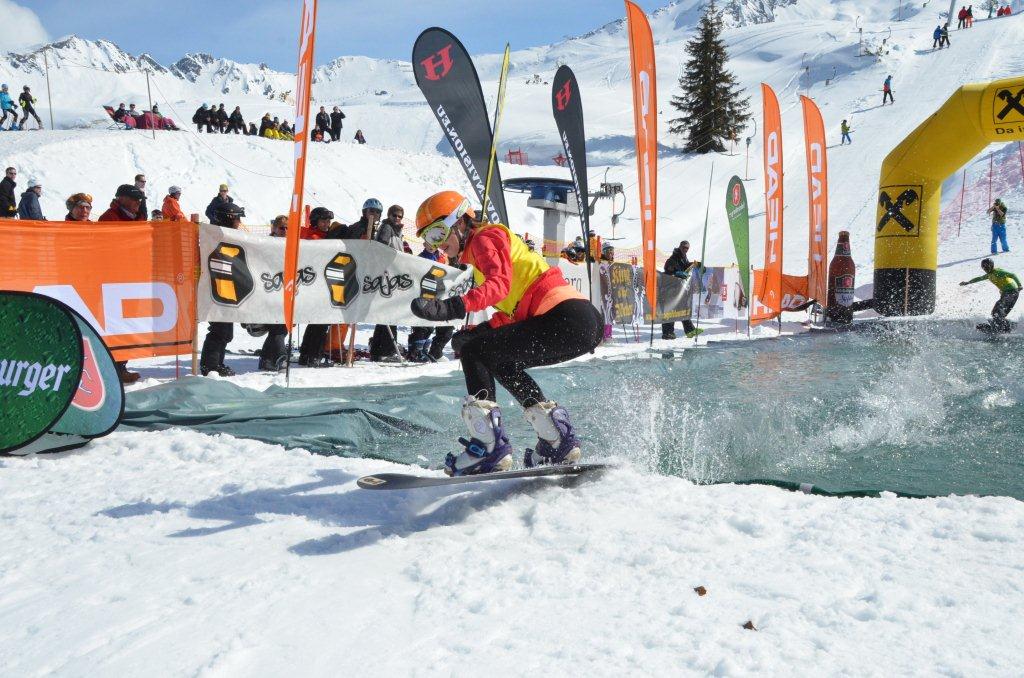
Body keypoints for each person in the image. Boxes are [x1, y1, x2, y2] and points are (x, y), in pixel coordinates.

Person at [409, 190, 604, 476]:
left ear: (460, 222)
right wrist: (482, 330)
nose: (438, 245)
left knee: (476, 352)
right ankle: (556, 439)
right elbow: (516, 308)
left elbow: (498, 286)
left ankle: (488, 448)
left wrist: (451, 308)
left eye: (438, 233)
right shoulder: (480, 259)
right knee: (499, 360)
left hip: (566, 317)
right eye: (429, 239)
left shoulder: (485, 237)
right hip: (577, 322)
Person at [200, 201, 247, 376]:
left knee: (226, 331)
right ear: (228, 219)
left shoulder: (230, 236)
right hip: (215, 290)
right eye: (237, 219)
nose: (239, 223)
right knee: (219, 330)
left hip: (227, 289)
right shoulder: (214, 237)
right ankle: (210, 366)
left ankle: (216, 364)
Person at [297, 206, 341, 366]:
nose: (327, 224)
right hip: (317, 285)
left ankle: (306, 354)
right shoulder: (314, 237)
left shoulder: (316, 235)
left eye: (328, 221)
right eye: (323, 221)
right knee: (320, 321)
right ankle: (314, 355)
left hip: (315, 284)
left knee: (316, 321)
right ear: (315, 221)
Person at [368, 203, 407, 362]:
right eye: (394, 215)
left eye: (399, 216)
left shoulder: (397, 231)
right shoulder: (387, 228)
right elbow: (381, 248)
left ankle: (378, 349)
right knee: (391, 313)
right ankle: (387, 350)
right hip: (387, 275)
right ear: (389, 216)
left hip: (393, 275)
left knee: (386, 313)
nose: (397, 218)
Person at [408, 241, 455, 362]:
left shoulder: (442, 257)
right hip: (424, 296)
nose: (431, 247)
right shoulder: (421, 257)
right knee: (424, 326)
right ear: (424, 244)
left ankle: (433, 351)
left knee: (445, 327)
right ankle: (414, 352)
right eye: (429, 244)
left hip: (439, 296)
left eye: (434, 244)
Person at [960, 259, 1021, 331]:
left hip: (1011, 292)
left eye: (987, 267)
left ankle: (1002, 327)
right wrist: (968, 282)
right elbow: (979, 278)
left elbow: (1012, 275)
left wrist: (1019, 285)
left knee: (997, 309)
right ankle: (1005, 327)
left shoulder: (998, 272)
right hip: (1007, 294)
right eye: (983, 267)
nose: (985, 269)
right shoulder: (989, 275)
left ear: (991, 266)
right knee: (998, 313)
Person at [661, 240, 704, 340]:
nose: (685, 249)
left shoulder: (683, 258)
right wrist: (676, 273)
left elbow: (686, 266)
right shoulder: (673, 259)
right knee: (670, 311)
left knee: (682, 310)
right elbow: (668, 271)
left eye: (687, 248)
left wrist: (697, 265)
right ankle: (667, 333)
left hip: (678, 290)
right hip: (669, 290)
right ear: (680, 247)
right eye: (684, 247)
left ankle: (690, 331)